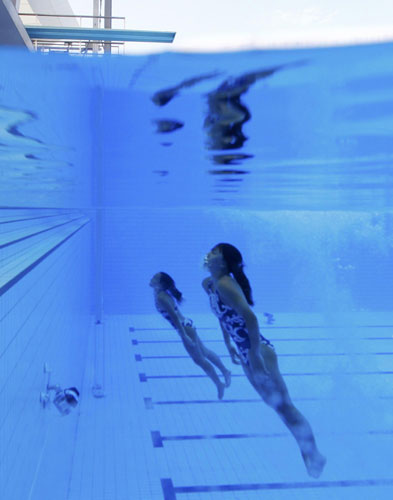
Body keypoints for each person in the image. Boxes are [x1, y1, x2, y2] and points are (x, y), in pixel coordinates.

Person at [202, 243, 326, 478]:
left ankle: (315, 455)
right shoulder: (210, 285)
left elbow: (250, 318)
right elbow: (223, 316)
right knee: (279, 409)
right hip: (247, 352)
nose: (208, 255)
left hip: (259, 353)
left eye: (215, 253)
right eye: (210, 251)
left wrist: (255, 356)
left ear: (225, 263)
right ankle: (309, 455)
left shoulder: (226, 284)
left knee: (286, 407)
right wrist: (228, 343)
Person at [150, 272, 231, 399]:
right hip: (187, 325)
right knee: (204, 352)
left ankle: (219, 384)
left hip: (184, 328)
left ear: (161, 284)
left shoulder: (161, 297)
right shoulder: (160, 294)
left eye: (155, 278)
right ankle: (225, 371)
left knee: (199, 360)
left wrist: (184, 336)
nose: (151, 279)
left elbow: (175, 318)